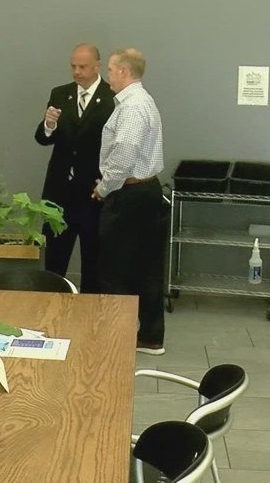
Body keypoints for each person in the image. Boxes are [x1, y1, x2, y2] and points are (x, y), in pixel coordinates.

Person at [92, 48, 167, 356]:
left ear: (123, 71)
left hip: (130, 194)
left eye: (110, 69)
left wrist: (105, 188)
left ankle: (115, 336)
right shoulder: (141, 101)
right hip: (145, 192)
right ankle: (150, 336)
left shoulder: (132, 107)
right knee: (146, 266)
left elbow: (123, 154)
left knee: (114, 266)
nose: (107, 75)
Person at [34, 43, 116, 291]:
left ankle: (90, 309)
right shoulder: (60, 94)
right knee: (55, 255)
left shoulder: (112, 96)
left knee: (94, 255)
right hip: (60, 190)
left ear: (97, 66)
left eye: (83, 67)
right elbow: (43, 139)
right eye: (73, 66)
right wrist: (48, 125)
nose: (77, 72)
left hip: (95, 190)